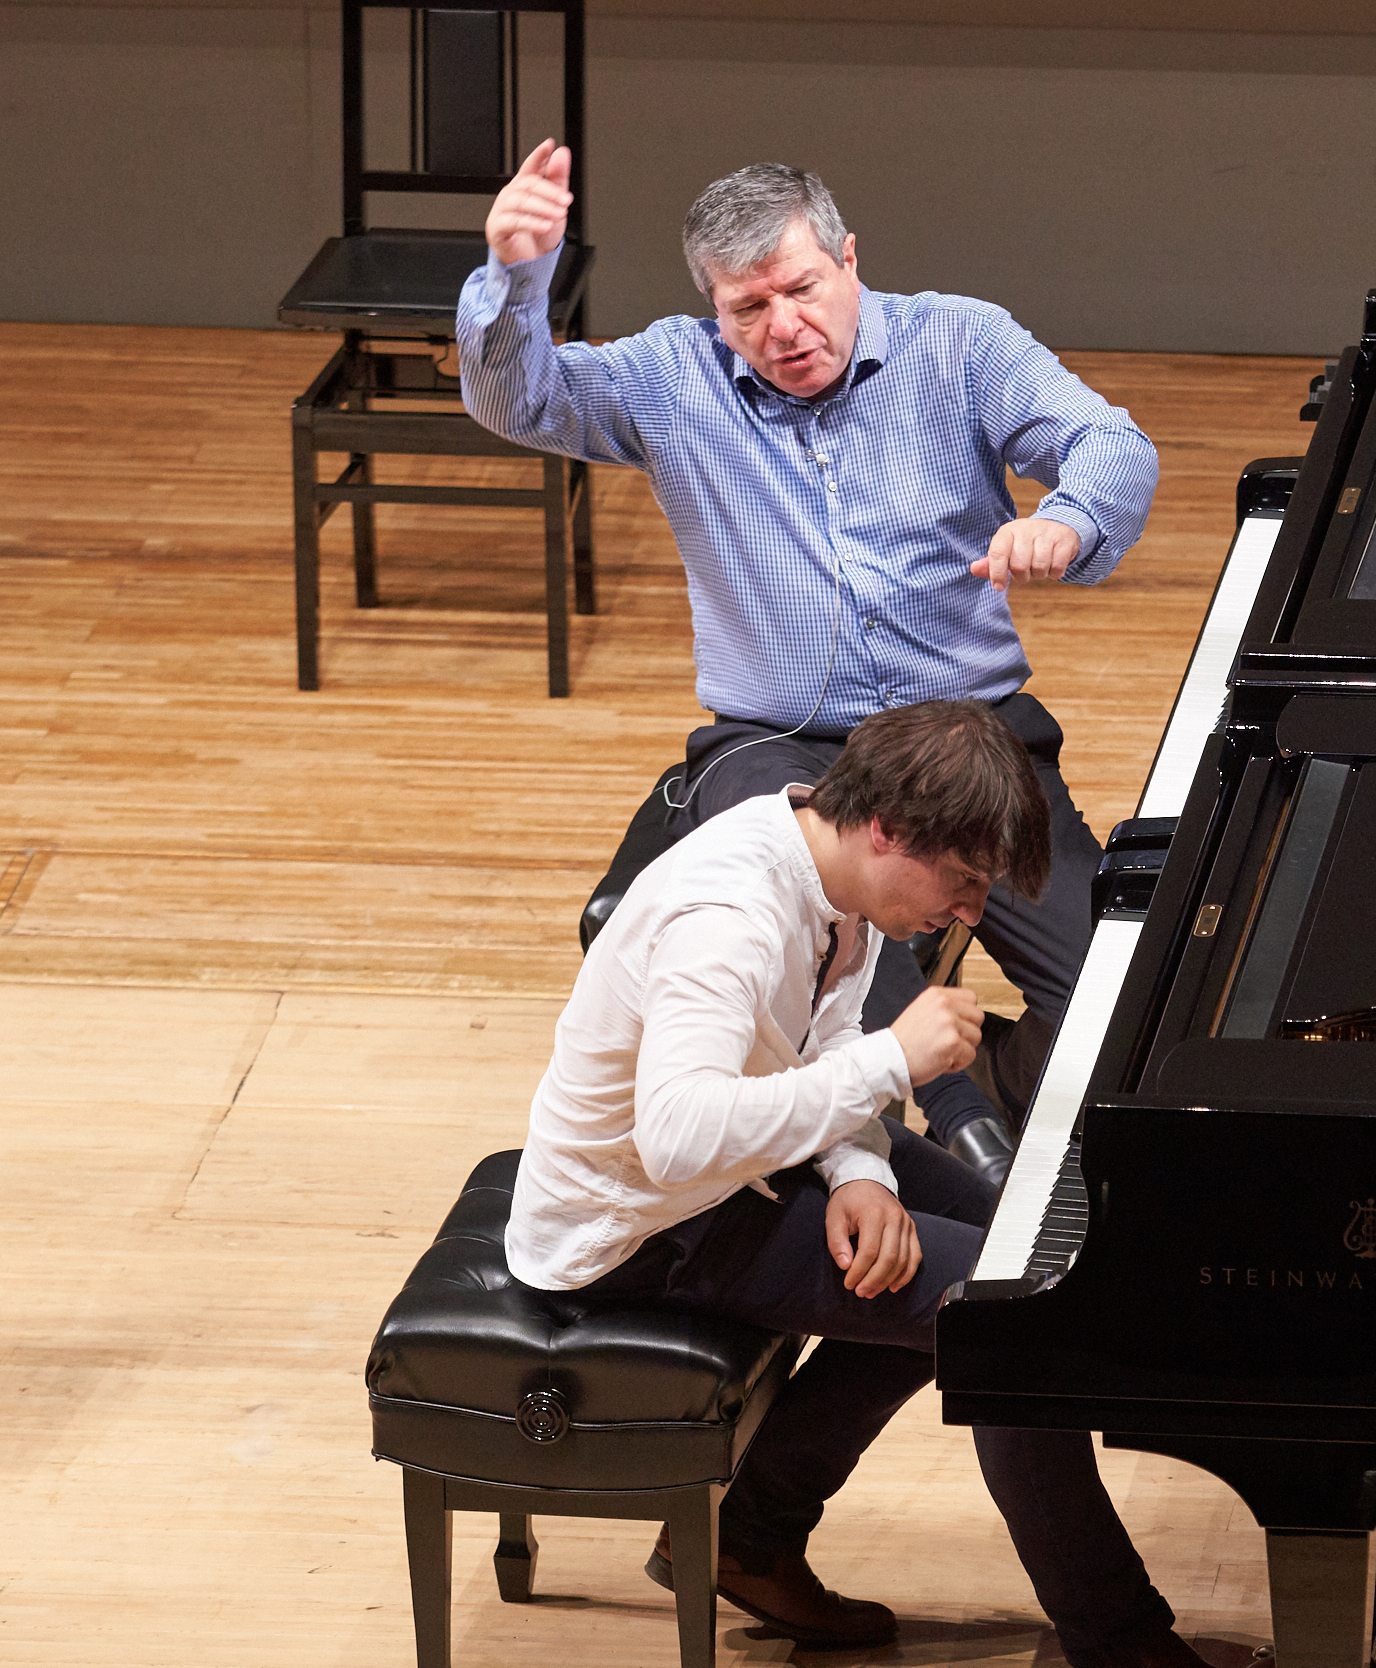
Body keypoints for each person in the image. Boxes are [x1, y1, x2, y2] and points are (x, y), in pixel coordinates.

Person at [458, 143, 1158, 1181]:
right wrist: (516, 278)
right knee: (821, 889)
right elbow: (518, 401)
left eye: (801, 289)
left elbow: (1113, 444)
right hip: (781, 741)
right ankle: (956, 1119)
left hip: (965, 735)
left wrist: (1070, 519)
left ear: (848, 259)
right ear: (713, 307)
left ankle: (987, 1076)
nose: (782, 327)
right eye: (747, 309)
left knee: (1122, 998)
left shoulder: (959, 342)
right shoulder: (672, 376)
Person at [506, 699, 1212, 1668]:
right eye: (963, 882)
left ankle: (752, 1531)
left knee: (1003, 1242)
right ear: (886, 827)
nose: (972, 913)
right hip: (641, 1224)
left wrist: (861, 1168)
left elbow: (818, 1042)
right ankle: (1121, 1646)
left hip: (740, 1163)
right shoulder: (731, 918)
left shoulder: (836, 872)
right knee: (1008, 1316)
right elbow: (676, 1137)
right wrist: (891, 1065)